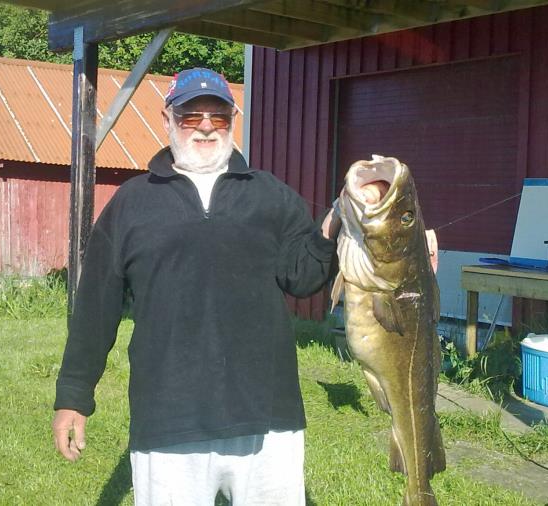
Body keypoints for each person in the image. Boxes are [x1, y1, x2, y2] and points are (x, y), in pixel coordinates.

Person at [52, 68, 339, 505]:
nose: (206, 127)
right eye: (190, 116)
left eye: (218, 116)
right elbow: (95, 308)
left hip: (268, 417)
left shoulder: (271, 195)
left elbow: (305, 277)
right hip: (168, 419)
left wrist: (335, 223)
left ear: (233, 121)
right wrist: (74, 395)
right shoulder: (131, 202)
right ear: (167, 119)